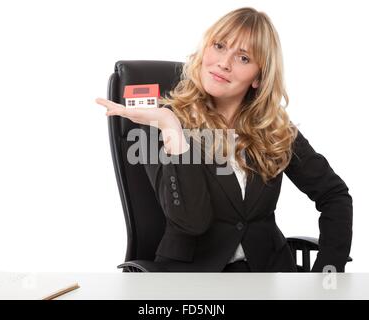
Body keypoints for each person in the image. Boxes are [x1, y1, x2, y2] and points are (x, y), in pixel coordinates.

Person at [95, 7, 353, 272]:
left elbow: (335, 195)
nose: (224, 63)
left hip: (268, 278)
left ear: (258, 77)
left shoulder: (273, 129)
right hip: (194, 282)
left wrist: (327, 274)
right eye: (219, 46)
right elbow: (192, 221)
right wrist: (173, 131)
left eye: (243, 57)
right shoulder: (159, 122)